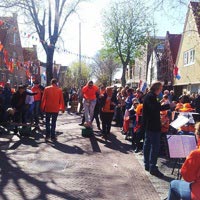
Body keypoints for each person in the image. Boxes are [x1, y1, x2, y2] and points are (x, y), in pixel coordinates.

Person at [142, 81, 170, 178]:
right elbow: (155, 108)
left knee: (147, 145)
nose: (161, 90)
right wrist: (169, 106)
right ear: (157, 89)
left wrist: (161, 102)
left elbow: (154, 107)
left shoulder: (149, 96)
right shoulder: (150, 97)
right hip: (153, 126)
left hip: (149, 125)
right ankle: (152, 167)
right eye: (161, 88)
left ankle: (147, 164)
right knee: (154, 147)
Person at [167, 122, 200, 200]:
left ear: (198, 135)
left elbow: (188, 178)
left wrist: (188, 160)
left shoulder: (196, 153)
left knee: (174, 184)